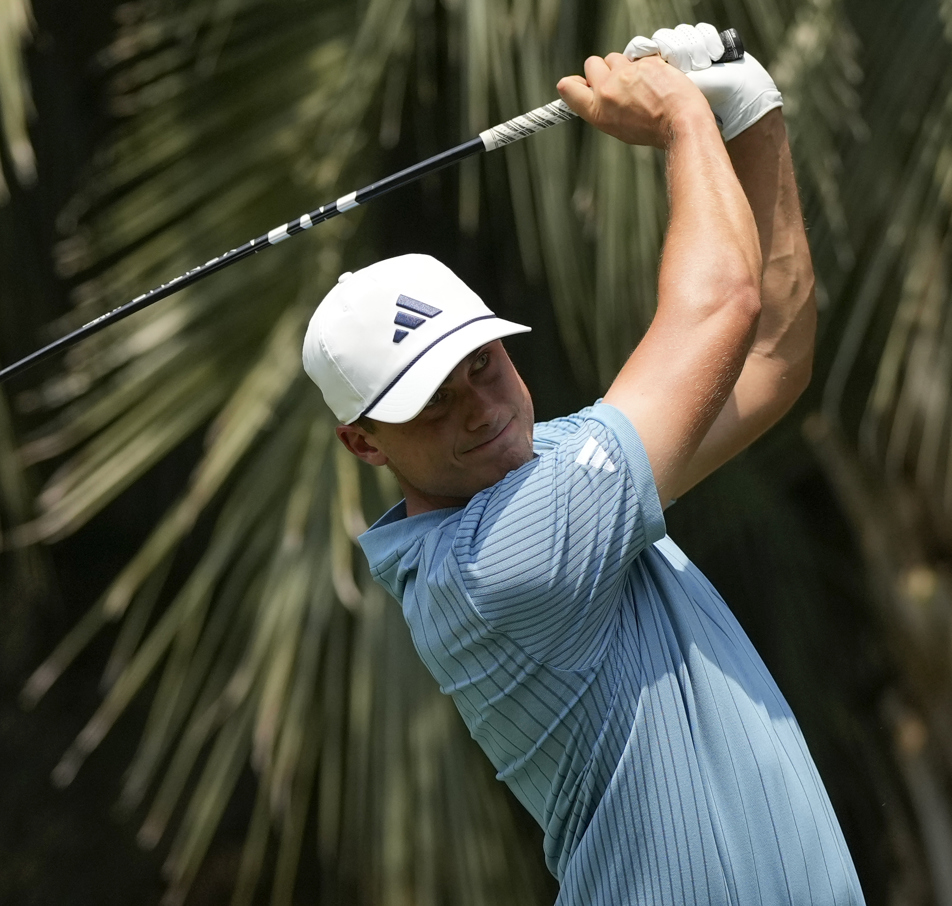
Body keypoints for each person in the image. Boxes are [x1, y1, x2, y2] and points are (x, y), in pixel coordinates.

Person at [301, 23, 864, 905]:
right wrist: (683, 115)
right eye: (428, 401)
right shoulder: (499, 565)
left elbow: (766, 363)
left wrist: (752, 112)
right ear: (364, 442)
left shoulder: (556, 469)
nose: (478, 408)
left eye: (480, 364)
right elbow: (722, 305)